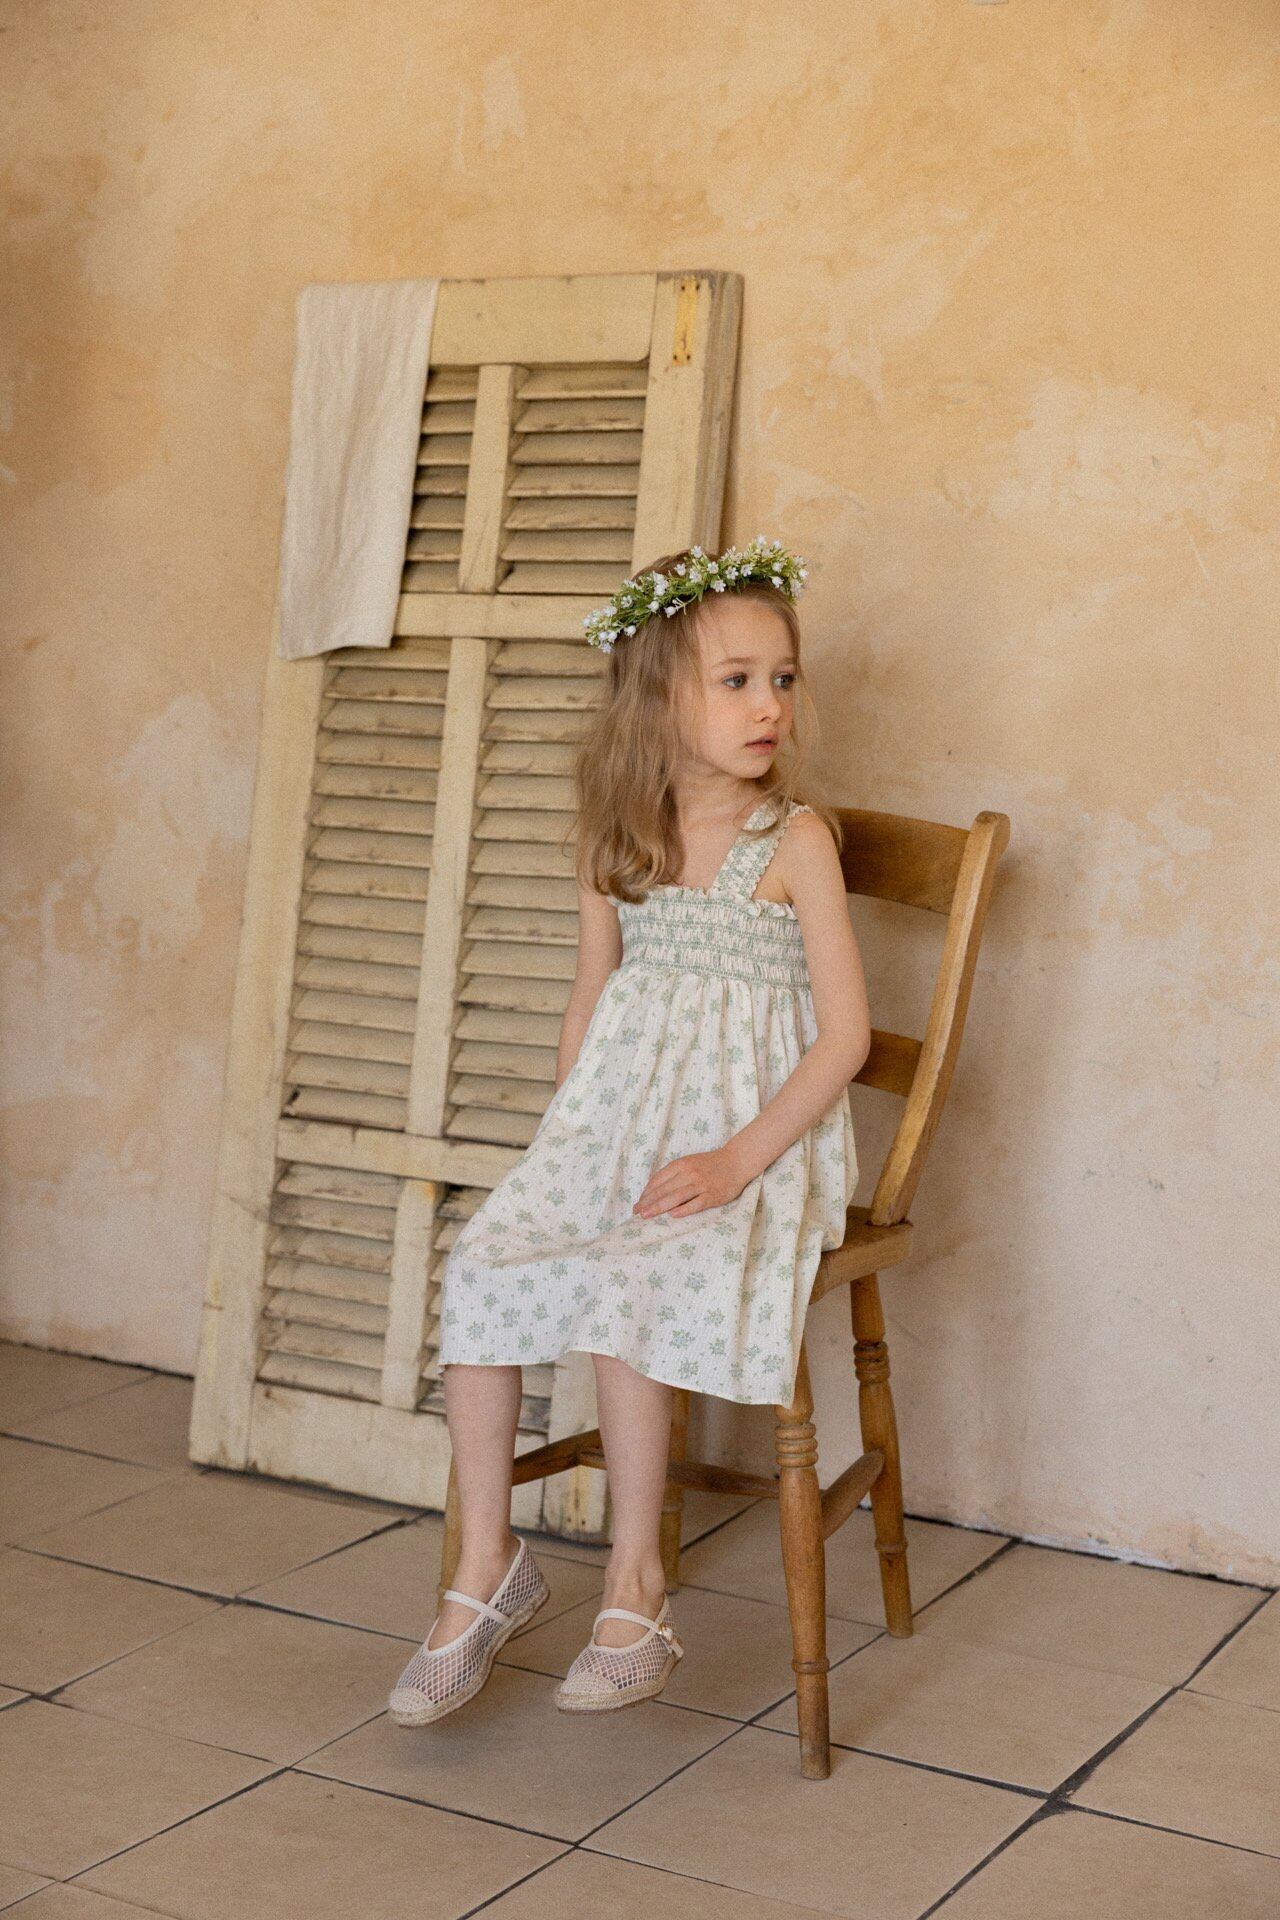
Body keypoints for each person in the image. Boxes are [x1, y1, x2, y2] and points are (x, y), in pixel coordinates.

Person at [389, 537, 870, 1725]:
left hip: (754, 1149)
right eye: (734, 680)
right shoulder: (619, 836)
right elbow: (590, 994)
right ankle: (487, 1566)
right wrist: (572, 1140)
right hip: (620, 1129)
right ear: (656, 699)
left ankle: (635, 1587)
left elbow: (845, 1038)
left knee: (624, 1282)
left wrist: (733, 1160)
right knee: (486, 1261)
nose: (768, 706)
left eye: (781, 678)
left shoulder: (791, 842)